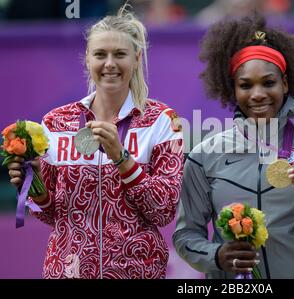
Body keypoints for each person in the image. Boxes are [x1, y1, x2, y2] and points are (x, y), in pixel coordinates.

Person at [6, 5, 184, 279]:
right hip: (67, 271)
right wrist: (36, 188)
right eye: (100, 54)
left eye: (120, 54)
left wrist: (123, 159)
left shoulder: (162, 121)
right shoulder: (56, 121)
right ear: (87, 59)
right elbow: (52, 214)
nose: (110, 63)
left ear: (136, 59)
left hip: (137, 271)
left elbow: (163, 212)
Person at [172, 13, 294, 279]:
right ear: (233, 89)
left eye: (268, 82)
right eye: (245, 85)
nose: (257, 94)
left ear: (286, 84)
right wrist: (216, 256)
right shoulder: (203, 156)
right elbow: (186, 235)